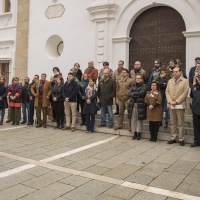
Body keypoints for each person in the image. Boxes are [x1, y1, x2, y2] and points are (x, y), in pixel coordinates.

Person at [166, 67, 189, 146]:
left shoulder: (185, 81)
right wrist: (170, 101)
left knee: (180, 122)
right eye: (174, 72)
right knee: (172, 122)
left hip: (180, 105)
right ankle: (173, 137)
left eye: (176, 72)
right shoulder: (170, 81)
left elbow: (185, 93)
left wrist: (176, 101)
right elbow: (167, 92)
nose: (174, 73)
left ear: (180, 72)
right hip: (171, 104)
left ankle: (181, 138)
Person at [127, 74, 147, 140]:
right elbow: (129, 93)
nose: (137, 79)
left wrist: (133, 94)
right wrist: (136, 94)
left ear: (141, 79)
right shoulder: (133, 85)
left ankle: (139, 133)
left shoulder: (144, 85)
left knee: (139, 120)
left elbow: (142, 93)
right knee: (133, 119)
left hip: (140, 105)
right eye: (136, 78)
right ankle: (134, 133)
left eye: (139, 78)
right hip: (133, 104)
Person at [190, 72, 200, 147]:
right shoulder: (194, 87)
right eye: (198, 78)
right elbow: (192, 96)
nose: (199, 79)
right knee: (196, 127)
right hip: (196, 110)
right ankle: (196, 141)